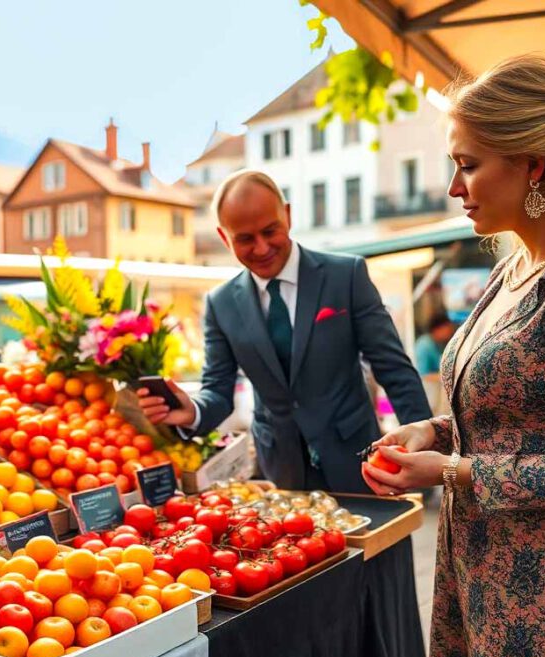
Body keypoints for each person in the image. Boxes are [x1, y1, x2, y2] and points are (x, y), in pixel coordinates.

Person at [361, 56, 545, 657]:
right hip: (485, 578)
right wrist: (432, 433)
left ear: (533, 164)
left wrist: (458, 471)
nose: (454, 187)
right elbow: (516, 411)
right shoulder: (509, 271)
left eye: (468, 165)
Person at [138, 169, 432, 492]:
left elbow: (393, 368)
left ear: (288, 216)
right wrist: (191, 410)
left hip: (360, 464)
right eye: (245, 239)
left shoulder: (346, 276)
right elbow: (217, 392)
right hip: (282, 476)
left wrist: (426, 441)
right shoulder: (220, 304)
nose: (262, 248)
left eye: (270, 231)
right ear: (225, 238)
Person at [414, 311, 455, 377]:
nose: (451, 331)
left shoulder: (441, 344)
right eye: (448, 328)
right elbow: (423, 375)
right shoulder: (424, 346)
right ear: (438, 329)